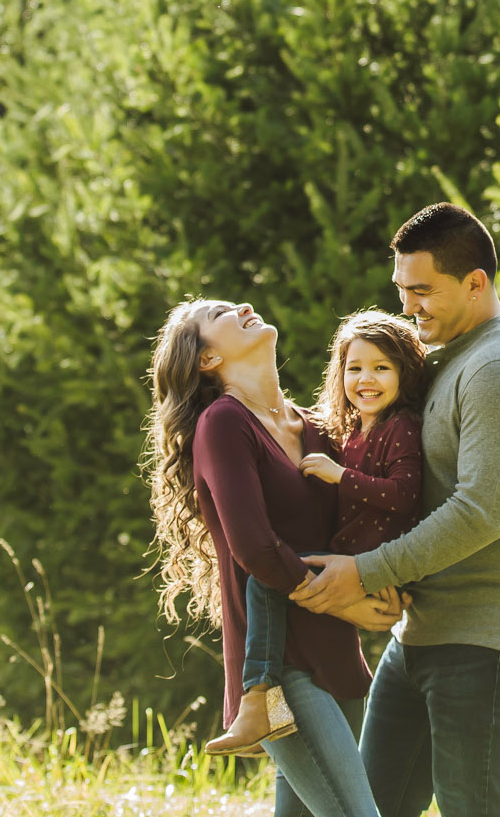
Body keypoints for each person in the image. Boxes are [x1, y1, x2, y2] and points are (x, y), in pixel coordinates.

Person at [294, 203, 500, 817]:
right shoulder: (446, 356)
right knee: (372, 807)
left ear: (476, 283)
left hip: (490, 638)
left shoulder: (499, 368)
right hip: (423, 630)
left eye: (423, 291)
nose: (409, 307)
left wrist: (367, 572)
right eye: (401, 290)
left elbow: (479, 513)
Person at [146, 297, 399, 817]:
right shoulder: (223, 423)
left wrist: (384, 580)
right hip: (277, 671)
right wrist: (345, 603)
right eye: (218, 315)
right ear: (207, 360)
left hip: (341, 662)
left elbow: (353, 532)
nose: (242, 305)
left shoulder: (317, 428)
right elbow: (255, 548)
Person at [209, 309, 428, 755]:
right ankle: (257, 697)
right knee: (263, 580)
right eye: (355, 368)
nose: (366, 378)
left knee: (266, 580)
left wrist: (339, 477)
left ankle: (256, 696)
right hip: (335, 591)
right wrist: (346, 600)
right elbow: (256, 548)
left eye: (382, 367)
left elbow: (404, 494)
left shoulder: (380, 429)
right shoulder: (340, 431)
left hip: (370, 562)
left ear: (405, 375)